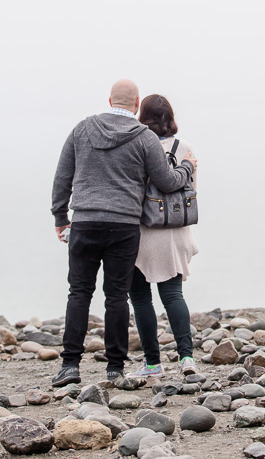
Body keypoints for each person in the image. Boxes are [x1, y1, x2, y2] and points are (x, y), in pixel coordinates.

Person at [50, 79, 197, 387]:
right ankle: (114, 369)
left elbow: (63, 175)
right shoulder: (143, 137)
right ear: (135, 103)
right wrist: (186, 167)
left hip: (86, 222)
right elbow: (168, 181)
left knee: (79, 294)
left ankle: (70, 366)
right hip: (124, 226)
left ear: (109, 100)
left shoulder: (82, 129)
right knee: (116, 296)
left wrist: (61, 216)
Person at [127, 95, 200, 377]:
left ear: (141, 116)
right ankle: (187, 359)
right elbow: (191, 190)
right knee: (173, 295)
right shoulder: (186, 148)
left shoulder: (136, 146)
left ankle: (153, 363)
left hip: (143, 232)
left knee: (141, 299)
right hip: (176, 232)